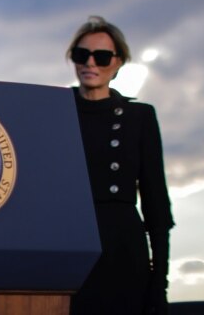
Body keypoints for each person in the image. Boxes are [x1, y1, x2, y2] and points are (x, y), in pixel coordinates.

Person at [67, 16, 174, 315]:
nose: (91, 63)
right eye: (81, 54)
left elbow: (156, 206)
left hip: (123, 250)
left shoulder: (138, 117)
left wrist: (159, 284)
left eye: (101, 56)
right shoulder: (56, 110)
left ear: (118, 62)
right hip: (70, 242)